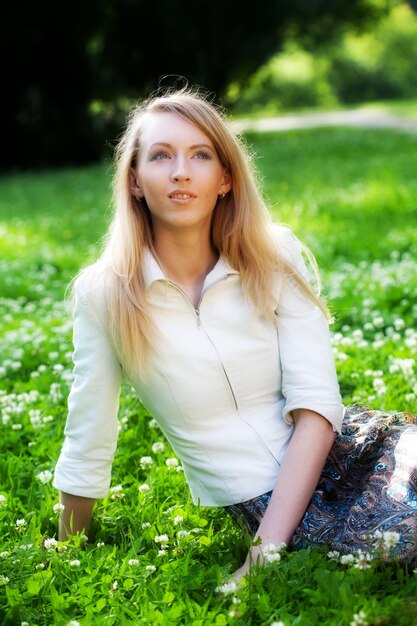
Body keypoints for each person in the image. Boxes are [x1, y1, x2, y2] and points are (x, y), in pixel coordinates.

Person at [53, 88, 417, 581]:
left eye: (200, 155)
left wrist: (260, 558)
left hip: (351, 451)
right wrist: (64, 554)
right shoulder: (107, 295)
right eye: (161, 156)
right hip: (268, 501)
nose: (181, 171)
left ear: (224, 178)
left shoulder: (275, 254)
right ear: (135, 180)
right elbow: (89, 433)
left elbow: (316, 405)